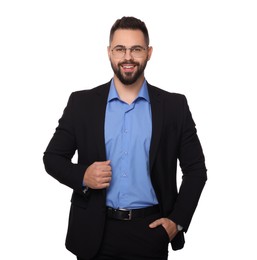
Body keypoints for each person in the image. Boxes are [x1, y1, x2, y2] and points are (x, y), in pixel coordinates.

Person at [43, 16, 207, 260]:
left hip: (151, 233)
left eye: (136, 49)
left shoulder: (174, 106)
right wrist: (83, 176)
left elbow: (195, 170)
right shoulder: (82, 103)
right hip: (94, 233)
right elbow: (53, 158)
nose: (128, 57)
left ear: (149, 53)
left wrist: (177, 222)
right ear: (109, 52)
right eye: (120, 49)